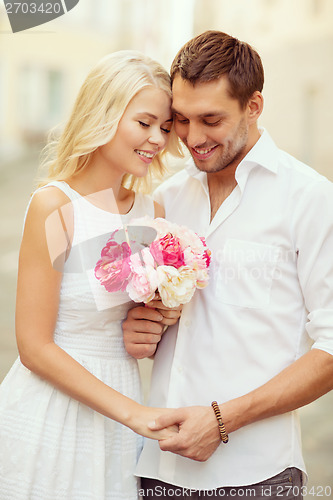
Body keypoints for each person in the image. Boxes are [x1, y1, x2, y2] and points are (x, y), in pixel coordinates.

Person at [123, 31, 333, 499]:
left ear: (254, 106)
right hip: (156, 468)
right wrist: (142, 327)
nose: (192, 138)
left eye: (211, 119)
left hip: (257, 476)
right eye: (180, 119)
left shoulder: (309, 198)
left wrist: (221, 421)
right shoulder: (165, 200)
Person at [0, 50, 183, 500]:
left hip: (119, 412)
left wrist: (159, 320)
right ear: (104, 114)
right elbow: (33, 347)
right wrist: (133, 414)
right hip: (52, 410)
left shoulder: (152, 212)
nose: (157, 139)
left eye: (164, 127)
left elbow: (141, 320)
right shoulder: (55, 206)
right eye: (144, 123)